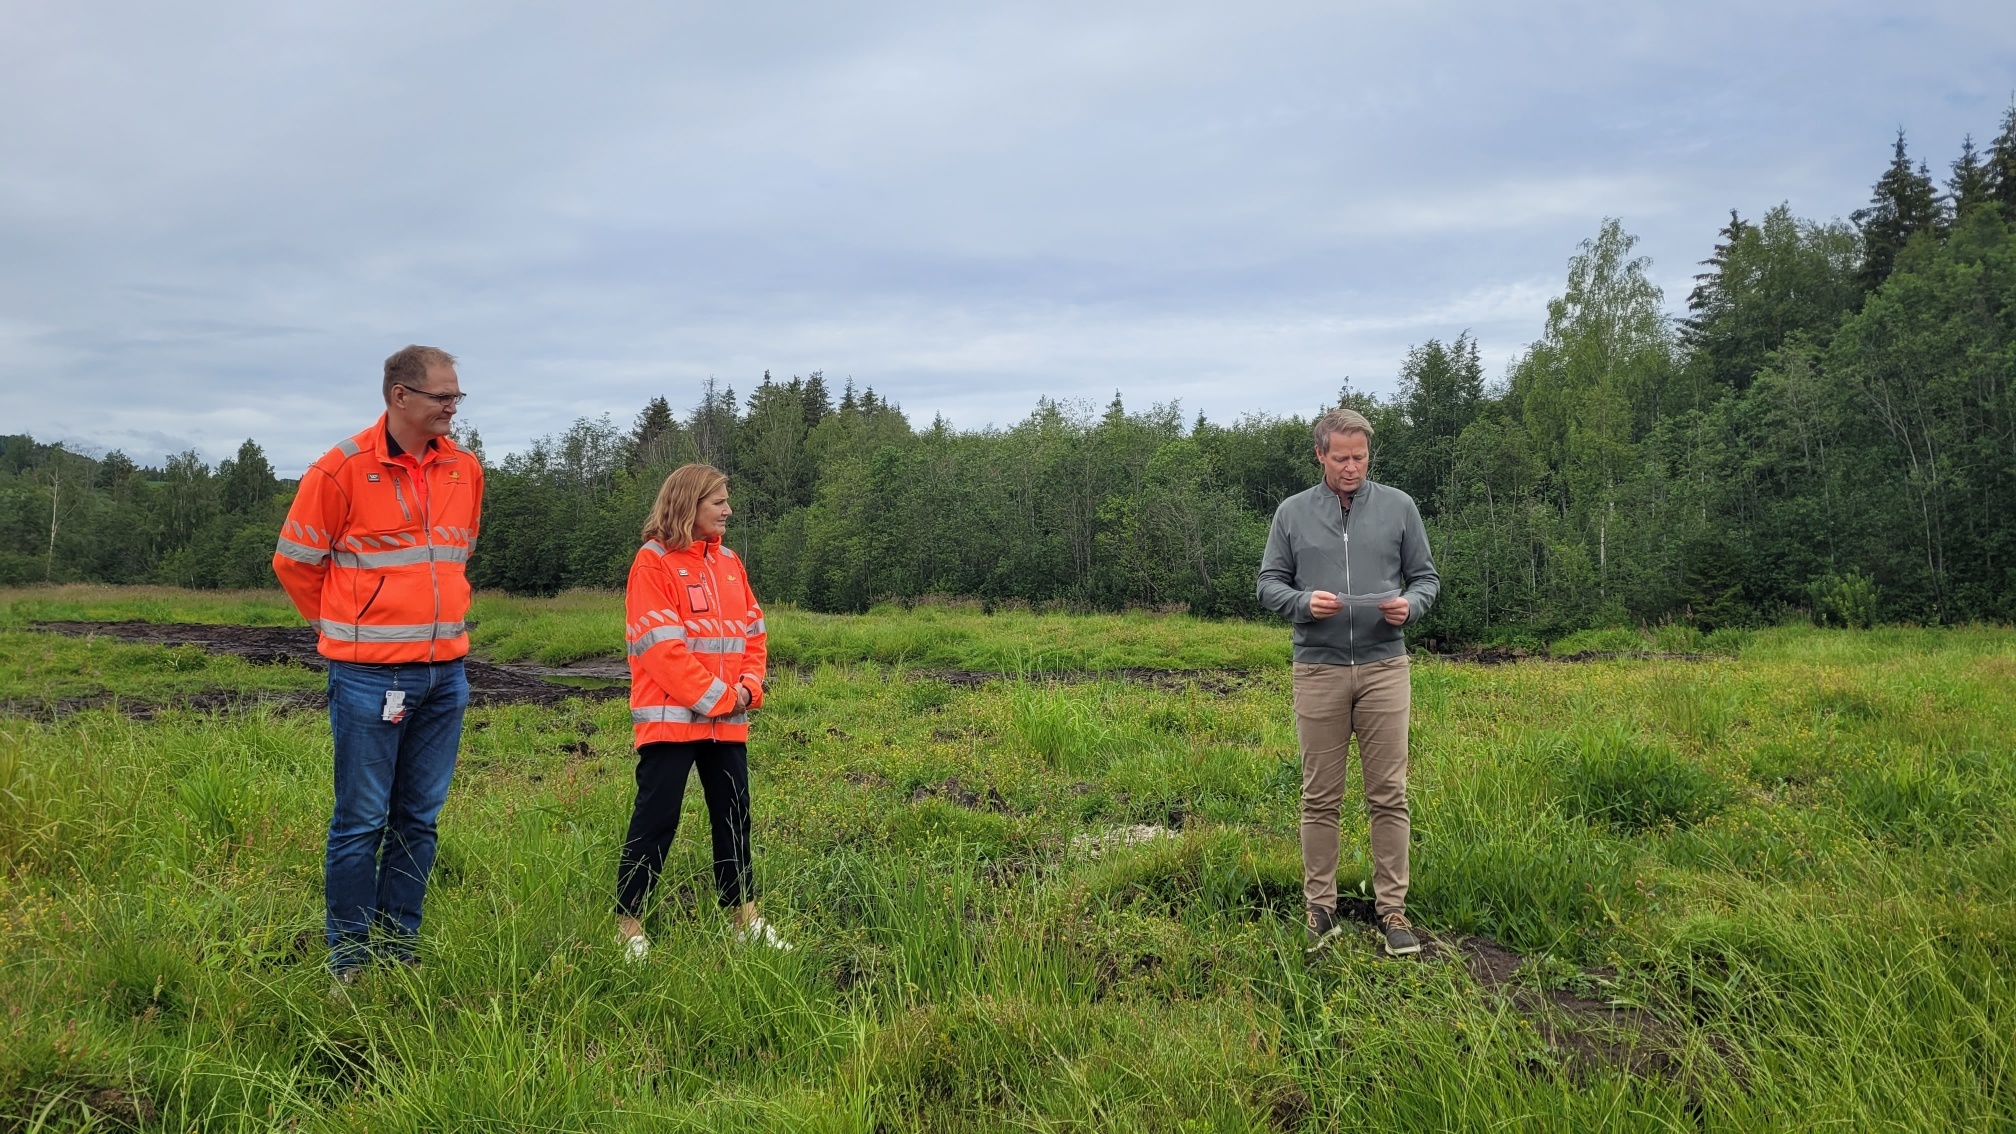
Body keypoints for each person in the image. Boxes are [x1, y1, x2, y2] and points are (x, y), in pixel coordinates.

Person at [272, 345, 483, 984]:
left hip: (445, 674)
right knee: (361, 821)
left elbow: (456, 556)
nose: (452, 406)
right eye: (441, 396)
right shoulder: (339, 471)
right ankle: (349, 962)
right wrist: (347, 630)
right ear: (398, 396)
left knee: (419, 819)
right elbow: (295, 563)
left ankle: (399, 951)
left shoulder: (464, 471)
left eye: (457, 397)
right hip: (368, 678)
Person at [1257, 407, 1438, 958]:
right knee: (1320, 796)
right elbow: (1268, 585)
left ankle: (1393, 911)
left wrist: (1410, 605)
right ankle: (1321, 908)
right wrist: (1303, 604)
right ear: (1320, 455)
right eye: (1341, 458)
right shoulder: (1291, 514)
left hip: (1386, 666)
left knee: (1389, 794)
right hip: (1318, 667)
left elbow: (1425, 578)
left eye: (1360, 457)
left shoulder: (1400, 507)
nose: (1352, 467)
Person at [614, 463, 787, 959]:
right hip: (671, 724)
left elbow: (754, 633)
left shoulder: (730, 563)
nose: (728, 510)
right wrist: (721, 697)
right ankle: (628, 927)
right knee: (656, 820)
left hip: (726, 723)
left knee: (734, 817)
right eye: (718, 502)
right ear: (689, 504)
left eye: (726, 500)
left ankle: (744, 918)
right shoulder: (652, 563)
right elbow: (661, 649)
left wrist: (750, 686)